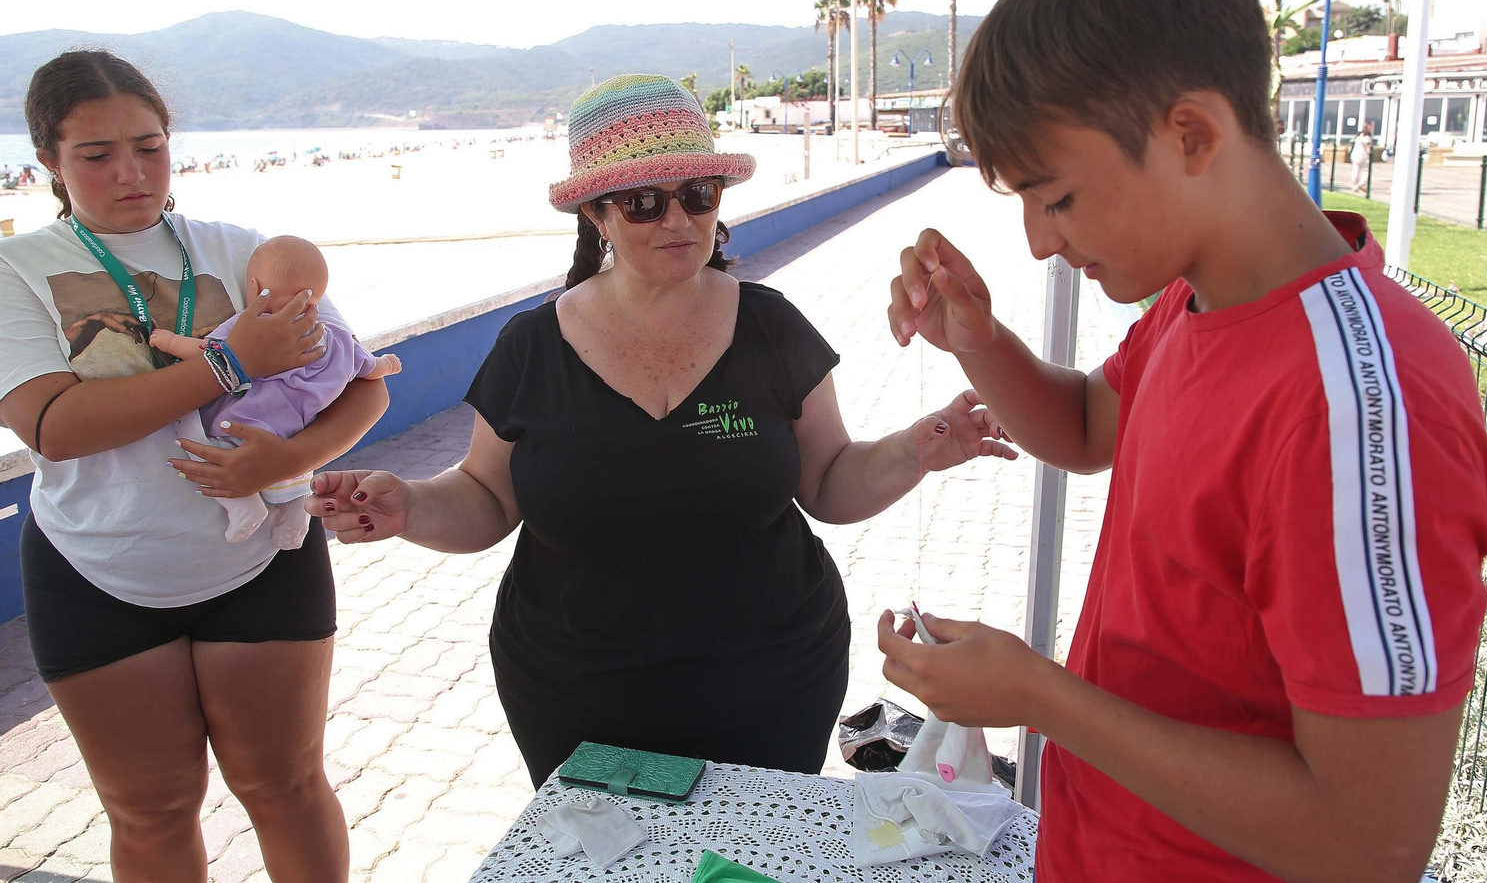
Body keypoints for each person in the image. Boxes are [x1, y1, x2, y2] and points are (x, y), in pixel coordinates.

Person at [877, 0, 1487, 883]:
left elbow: (1370, 843)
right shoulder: (1197, 296)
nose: (1041, 242)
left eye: (1059, 198)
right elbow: (1088, 426)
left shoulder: (1361, 409)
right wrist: (978, 340)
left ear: (1192, 135)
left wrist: (1039, 696)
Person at [309, 74, 1016, 786]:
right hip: (577, 695)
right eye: (644, 202)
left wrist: (916, 449)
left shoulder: (771, 327)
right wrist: (409, 506)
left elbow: (829, 482)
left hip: (774, 685)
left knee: (751, 863)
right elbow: (485, 499)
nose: (678, 221)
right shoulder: (531, 346)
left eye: (698, 195)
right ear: (596, 214)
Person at [0, 50, 388, 883]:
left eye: (149, 145)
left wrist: (290, 458)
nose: (131, 173)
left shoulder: (242, 249)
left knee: (283, 785)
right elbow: (53, 424)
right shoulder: (14, 268)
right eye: (95, 155)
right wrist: (228, 364)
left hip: (260, 559)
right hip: (95, 566)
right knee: (150, 809)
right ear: (50, 165)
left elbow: (360, 386)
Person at [152, 235, 402, 549]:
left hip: (243, 421)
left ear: (255, 289)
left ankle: (243, 506)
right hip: (296, 429)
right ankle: (296, 516)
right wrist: (388, 364)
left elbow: (207, 352)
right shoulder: (335, 337)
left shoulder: (250, 326)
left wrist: (168, 342)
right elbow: (369, 369)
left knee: (190, 434)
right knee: (295, 473)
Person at [1351, 122, 1374, 194]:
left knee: (1355, 170)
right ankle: (1361, 183)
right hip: (1363, 156)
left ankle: (1354, 186)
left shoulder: (1358, 136)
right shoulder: (1367, 138)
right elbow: (1368, 148)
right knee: (1366, 170)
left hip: (1355, 155)